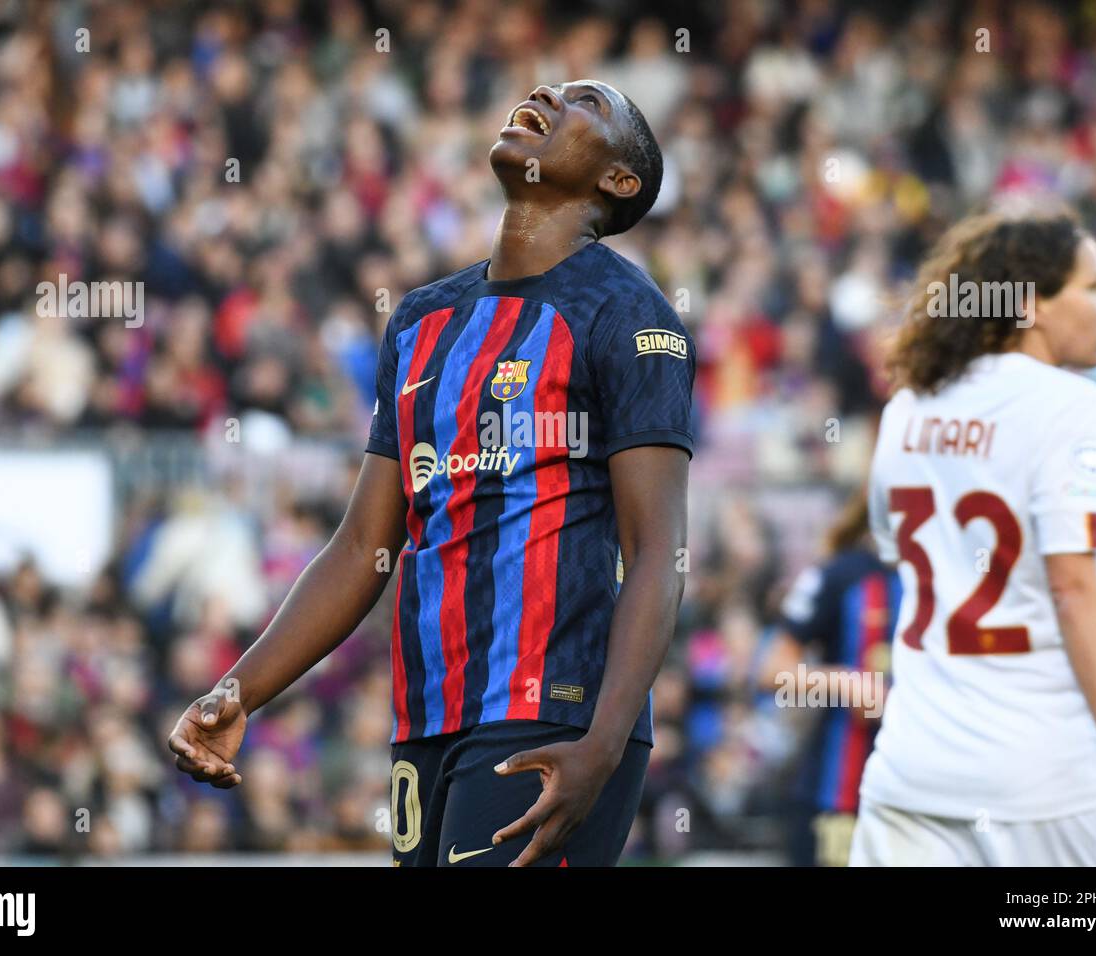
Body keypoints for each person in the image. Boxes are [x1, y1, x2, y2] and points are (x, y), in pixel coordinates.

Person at [167, 81, 696, 867]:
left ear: (617, 181)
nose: (546, 92)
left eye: (586, 101)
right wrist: (238, 690)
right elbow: (360, 549)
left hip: (553, 714)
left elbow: (658, 553)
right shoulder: (421, 320)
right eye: (548, 87)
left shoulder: (630, 316)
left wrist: (604, 741)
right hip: (427, 719)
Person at [852, 208, 1096, 866]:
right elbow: (1073, 585)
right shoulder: (1075, 404)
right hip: (1041, 779)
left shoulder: (907, 405)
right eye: (1093, 286)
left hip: (912, 771)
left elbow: (894, 550)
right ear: (1031, 304)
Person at [759, 487, 899, 866]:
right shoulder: (843, 574)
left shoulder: (952, 577)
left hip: (926, 793)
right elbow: (772, 671)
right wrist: (844, 682)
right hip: (837, 799)